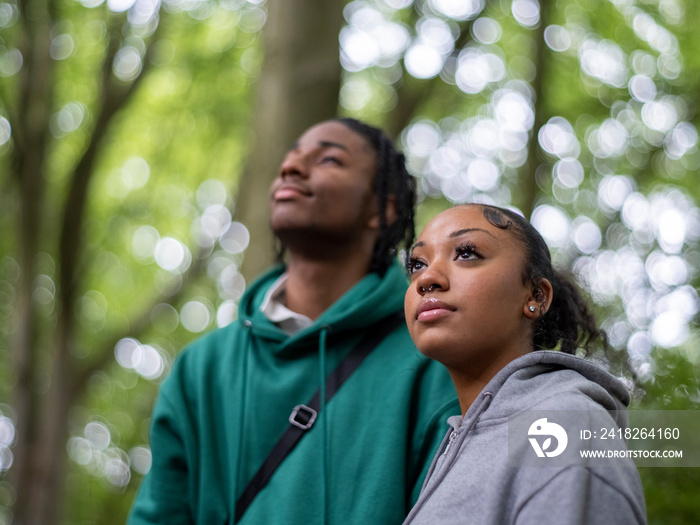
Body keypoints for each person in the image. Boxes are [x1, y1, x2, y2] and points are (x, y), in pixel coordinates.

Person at [127, 118, 459, 525]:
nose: (291, 168)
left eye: (329, 159)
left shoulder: (434, 354)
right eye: (290, 159)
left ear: (383, 207)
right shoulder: (202, 368)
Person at [401, 204, 646, 524]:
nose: (427, 278)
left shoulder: (563, 427)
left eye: (466, 252)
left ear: (536, 296)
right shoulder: (457, 445)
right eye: (417, 264)